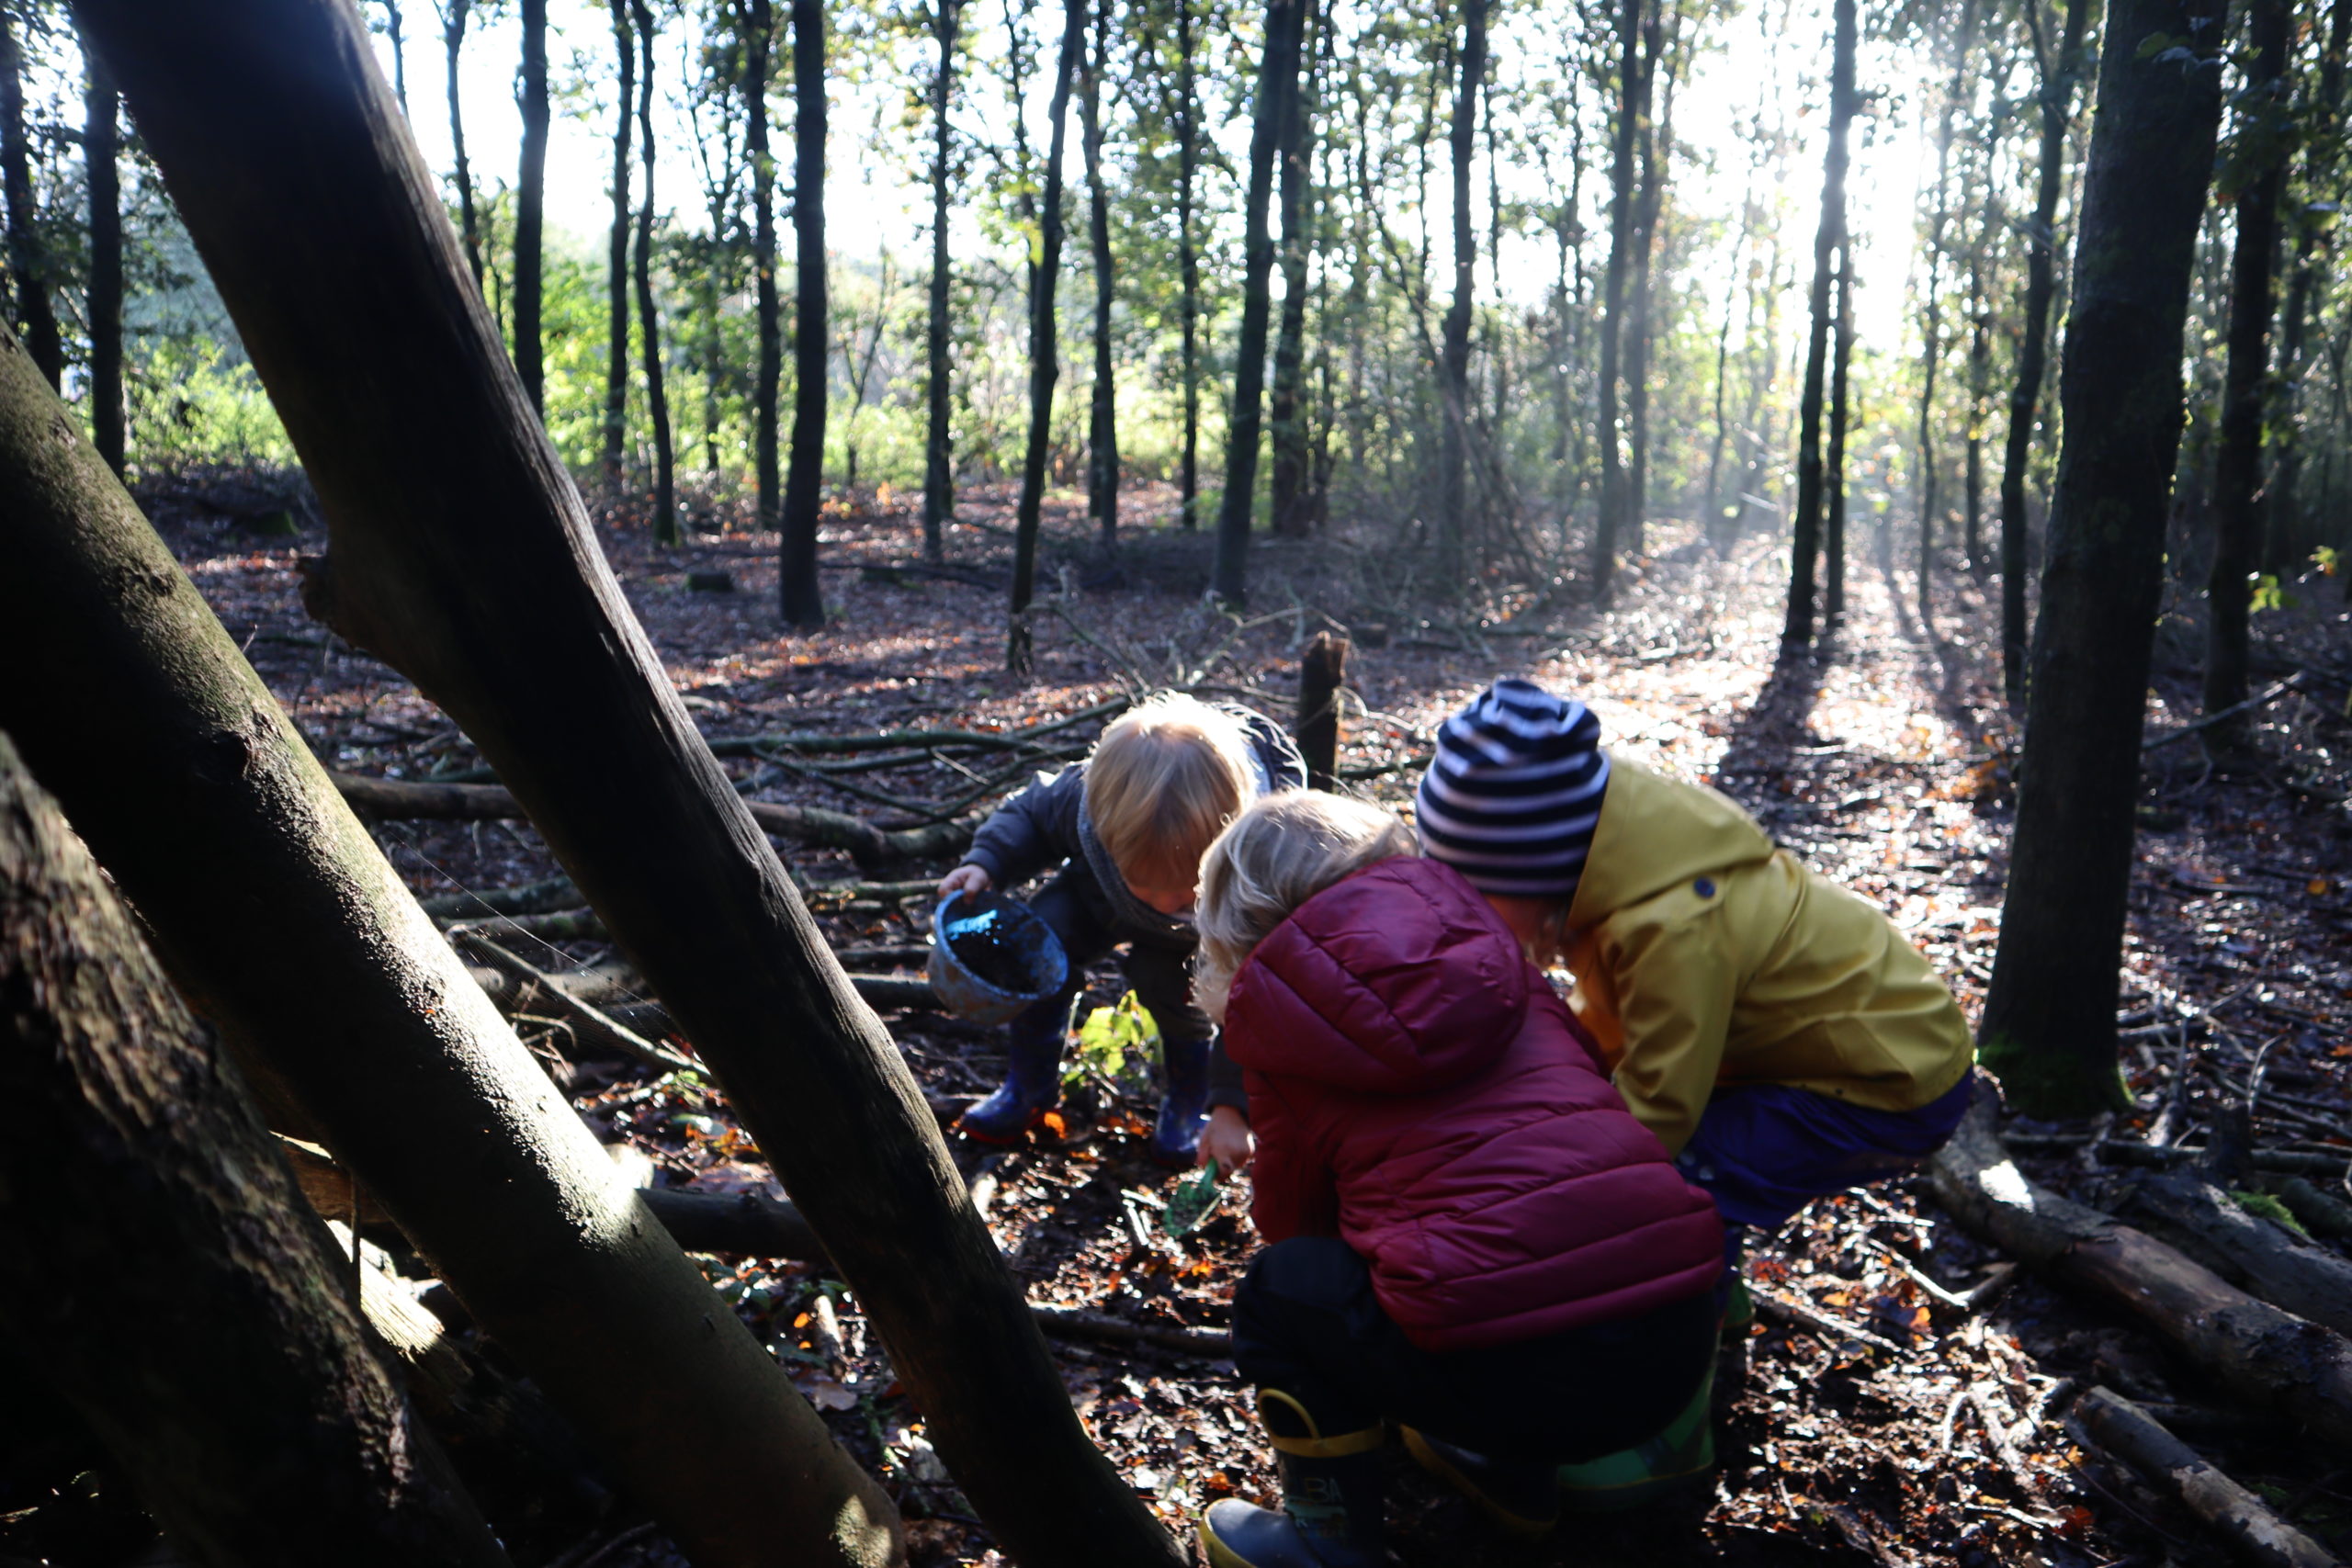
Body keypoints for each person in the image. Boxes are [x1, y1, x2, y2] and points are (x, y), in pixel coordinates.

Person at [1191, 792, 1725, 1567]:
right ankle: (1506, 1469)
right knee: (1508, 1253)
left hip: (1510, 1373)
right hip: (1676, 1340)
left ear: (1238, 920)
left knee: (1280, 1292)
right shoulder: (1502, 961)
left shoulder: (1279, 1025)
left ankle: (1327, 1537)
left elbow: (1296, 1224)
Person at [1414, 676, 1976, 1314]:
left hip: (1888, 1081)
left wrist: (1558, 1182)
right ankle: (1713, 1296)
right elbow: (1614, 1026)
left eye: (1477, 896)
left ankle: (1686, 1335)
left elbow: (1659, 1104)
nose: (1467, 916)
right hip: (1825, 1052)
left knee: (1672, 1180)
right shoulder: (1622, 870)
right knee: (1667, 1158)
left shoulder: (1671, 924)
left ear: (1534, 872)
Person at [939, 692, 1304, 1166]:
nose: (1164, 902)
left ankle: (1190, 1101)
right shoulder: (1086, 800)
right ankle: (1027, 1087)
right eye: (1145, 883)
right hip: (1096, 899)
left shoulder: (1262, 858)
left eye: (1185, 889)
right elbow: (1029, 813)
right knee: (1043, 940)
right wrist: (985, 863)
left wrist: (1232, 1105)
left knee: (1179, 993)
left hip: (1199, 942)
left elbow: (1254, 998)